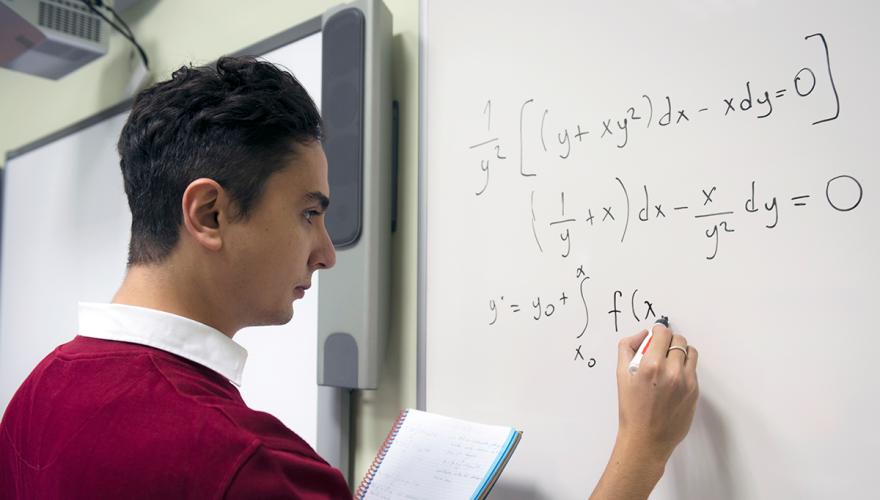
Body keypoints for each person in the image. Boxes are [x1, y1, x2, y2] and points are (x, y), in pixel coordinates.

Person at [0, 56, 698, 499]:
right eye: (308, 213)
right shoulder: (243, 463)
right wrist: (644, 451)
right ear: (209, 212)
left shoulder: (35, 396)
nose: (327, 253)